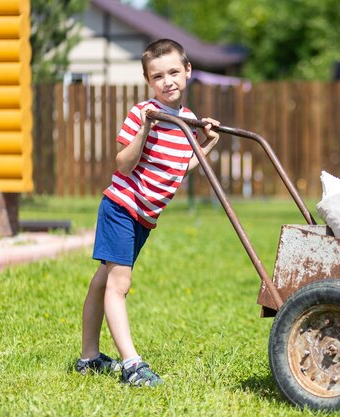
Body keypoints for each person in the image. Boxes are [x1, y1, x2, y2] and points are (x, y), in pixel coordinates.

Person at [75, 38, 220, 387]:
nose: (168, 81)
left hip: (144, 217)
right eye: (158, 76)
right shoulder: (143, 113)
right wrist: (145, 128)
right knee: (118, 284)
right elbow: (123, 165)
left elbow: (175, 171)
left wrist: (205, 145)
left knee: (103, 280)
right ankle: (131, 365)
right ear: (148, 81)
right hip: (121, 207)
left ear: (188, 71)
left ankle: (88, 358)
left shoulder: (187, 120)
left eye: (174, 72)